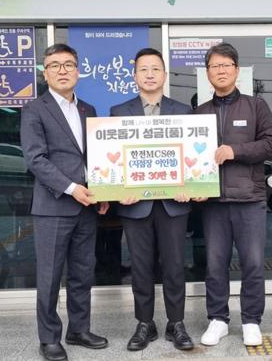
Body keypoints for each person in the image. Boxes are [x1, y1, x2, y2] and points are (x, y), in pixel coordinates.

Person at [20, 43, 109, 361]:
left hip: (87, 204)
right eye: (54, 65)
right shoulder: (34, 109)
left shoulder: (88, 109)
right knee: (50, 276)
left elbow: (94, 156)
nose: (62, 70)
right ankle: (49, 338)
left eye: (68, 65)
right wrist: (72, 188)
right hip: (54, 205)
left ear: (78, 71)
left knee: (83, 272)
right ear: (45, 73)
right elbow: (35, 159)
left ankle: (79, 329)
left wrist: (101, 192)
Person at [194, 42, 272, 347]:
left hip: (250, 199)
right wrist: (194, 187)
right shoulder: (199, 113)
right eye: (214, 66)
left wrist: (235, 150)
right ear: (207, 73)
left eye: (225, 65)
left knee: (253, 262)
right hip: (213, 202)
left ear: (236, 70)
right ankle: (217, 319)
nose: (220, 70)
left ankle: (251, 320)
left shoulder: (256, 107)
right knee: (215, 263)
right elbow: (191, 158)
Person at [110, 48, 194, 352]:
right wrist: (118, 189)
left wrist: (190, 185)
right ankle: (145, 323)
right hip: (135, 204)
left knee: (174, 266)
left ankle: (177, 323)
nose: (149, 74)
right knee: (141, 267)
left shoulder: (183, 112)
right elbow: (113, 158)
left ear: (164, 75)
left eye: (155, 69)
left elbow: (192, 154)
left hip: (174, 203)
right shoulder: (118, 112)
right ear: (134, 76)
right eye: (143, 69)